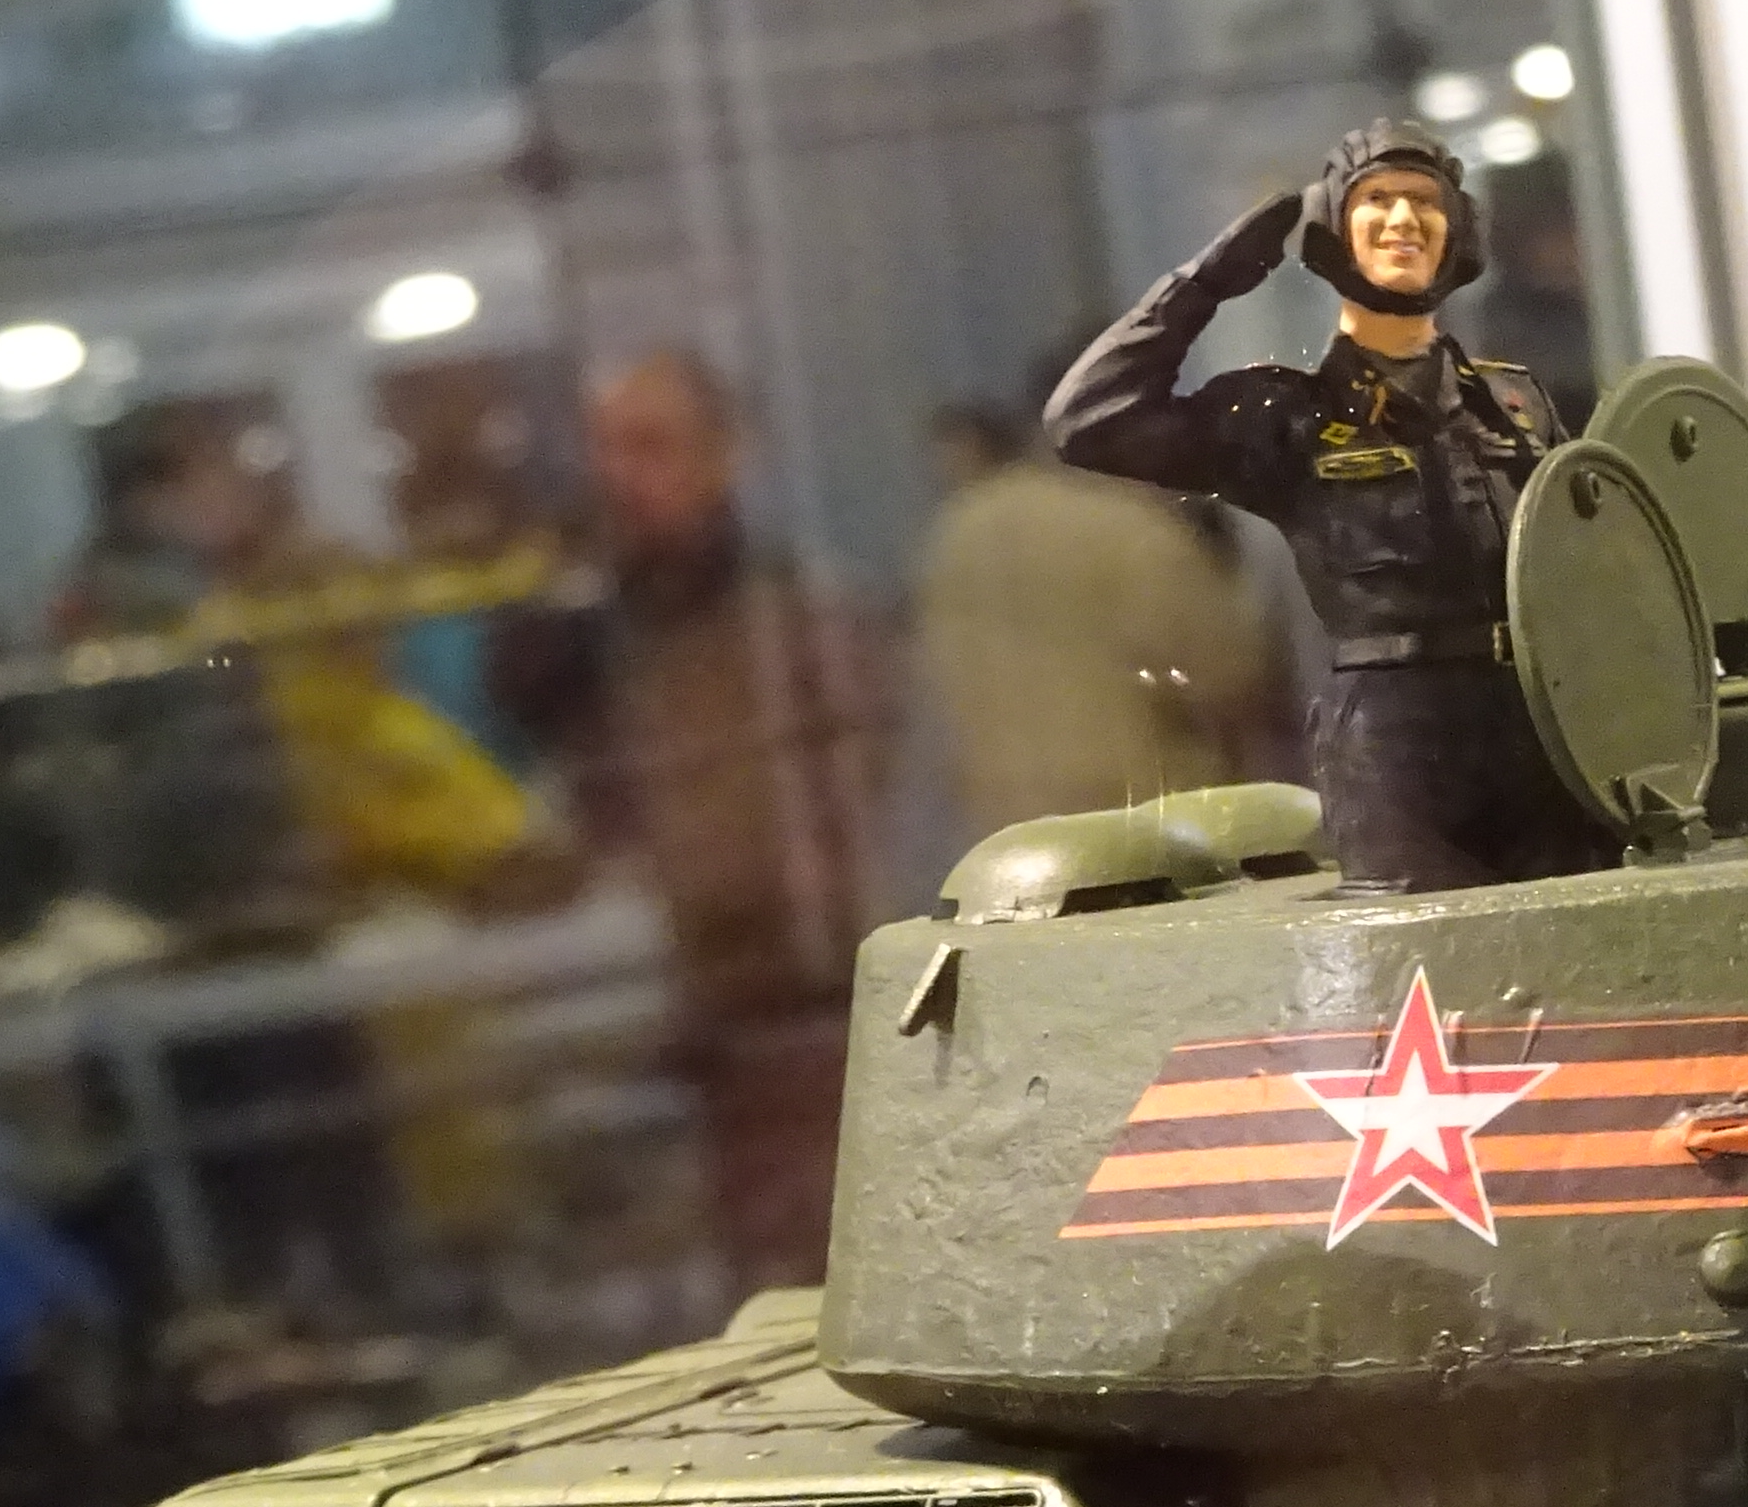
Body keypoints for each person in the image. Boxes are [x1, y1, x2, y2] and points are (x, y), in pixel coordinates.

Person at [1044, 119, 1615, 889]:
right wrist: (1201, 288)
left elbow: (1581, 556)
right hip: (1394, 748)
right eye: (1376, 200)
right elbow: (1089, 421)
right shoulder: (1287, 417)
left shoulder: (1514, 403)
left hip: (1538, 725)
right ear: (1333, 231)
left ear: (1458, 229)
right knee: (1414, 948)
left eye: (1424, 200)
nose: (1403, 220)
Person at [570, 347, 891, 1292]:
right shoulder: (621, 638)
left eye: (650, 447)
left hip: (818, 1014)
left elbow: (805, 838)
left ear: (723, 455)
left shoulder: (801, 625)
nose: (620, 478)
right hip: (719, 1029)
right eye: (605, 451)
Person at [909, 392, 1286, 842]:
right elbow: (1229, 676)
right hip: (1142, 817)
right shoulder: (1129, 529)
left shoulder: (957, 533)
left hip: (1009, 825)